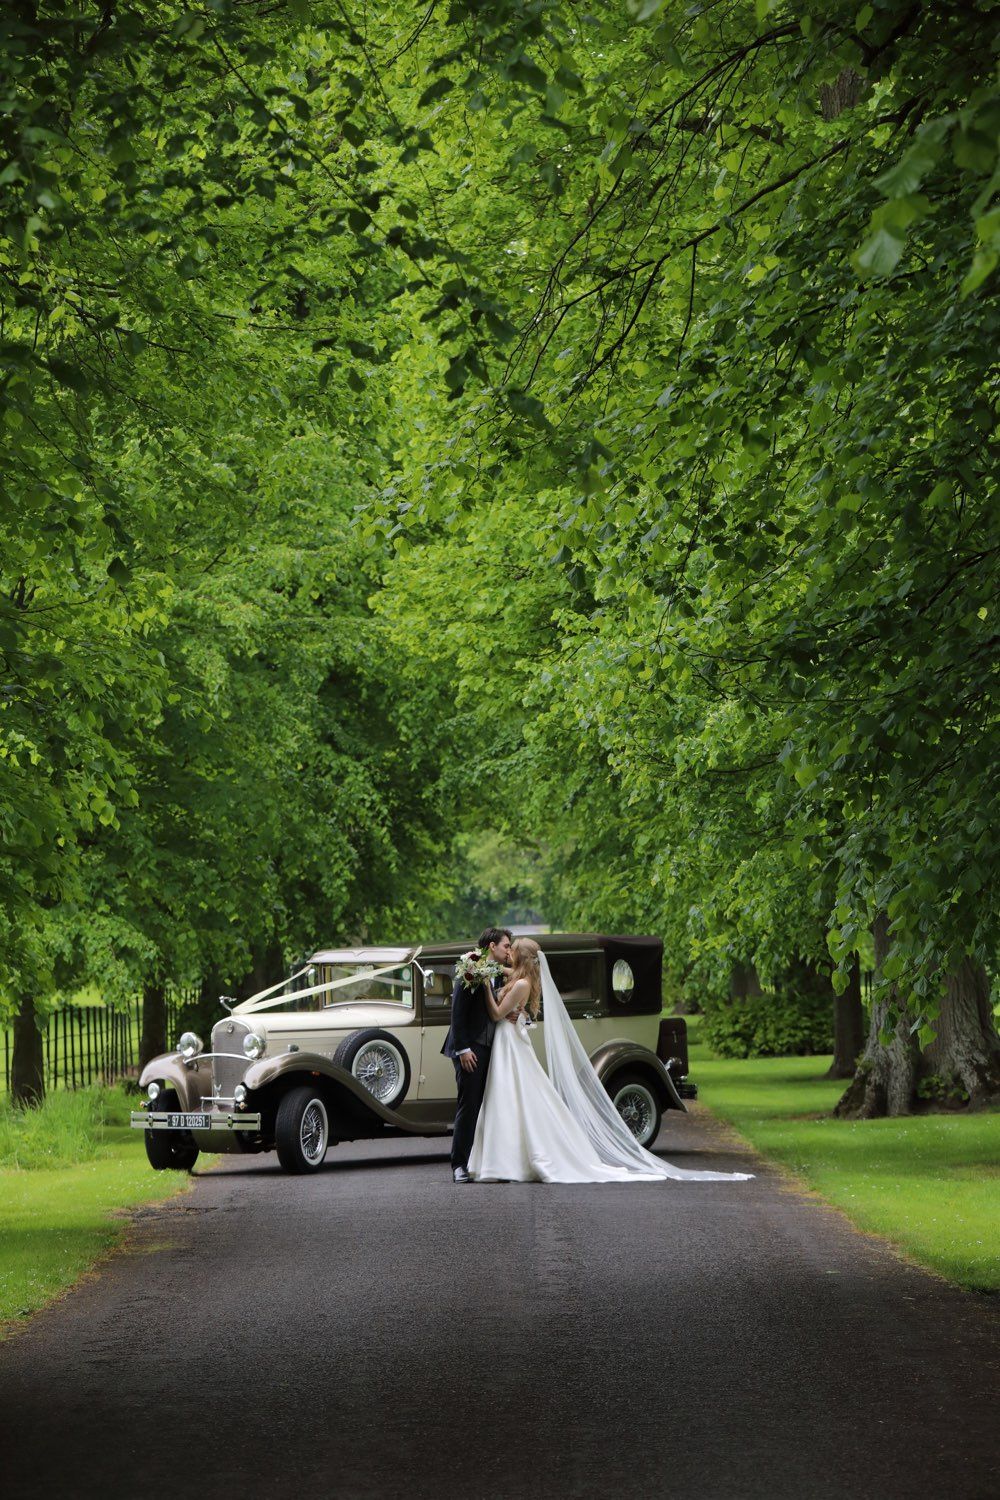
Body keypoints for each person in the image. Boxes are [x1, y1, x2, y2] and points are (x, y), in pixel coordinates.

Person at [466, 937, 755, 1184]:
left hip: (510, 1044)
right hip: (509, 1042)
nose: (509, 951)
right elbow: (508, 979)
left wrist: (482, 988)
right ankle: (504, 1157)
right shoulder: (517, 976)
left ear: (522, 956)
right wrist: (483, 970)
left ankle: (513, 1160)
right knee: (508, 1098)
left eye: (512, 948)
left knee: (517, 1096)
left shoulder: (520, 984)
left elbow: (496, 1013)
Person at [441, 925, 513, 1183]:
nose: (509, 950)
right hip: (469, 1048)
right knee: (469, 1105)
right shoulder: (471, 965)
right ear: (491, 946)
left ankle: (488, 1163)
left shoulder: (495, 970)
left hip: (490, 1048)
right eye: (506, 945)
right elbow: (458, 1010)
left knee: (491, 1105)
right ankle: (459, 1164)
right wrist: (462, 1048)